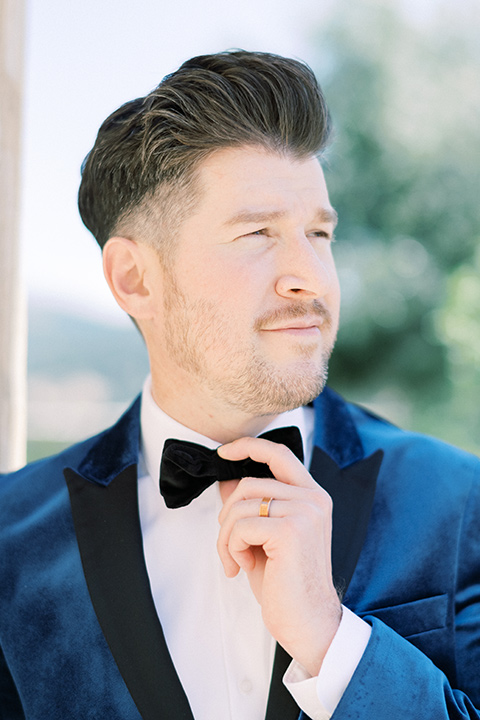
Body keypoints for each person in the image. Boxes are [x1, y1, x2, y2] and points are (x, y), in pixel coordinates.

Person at [0, 50, 479, 720]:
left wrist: (331, 641)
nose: (309, 277)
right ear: (136, 279)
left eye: (319, 232)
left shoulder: (458, 503)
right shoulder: (8, 535)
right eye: (257, 233)